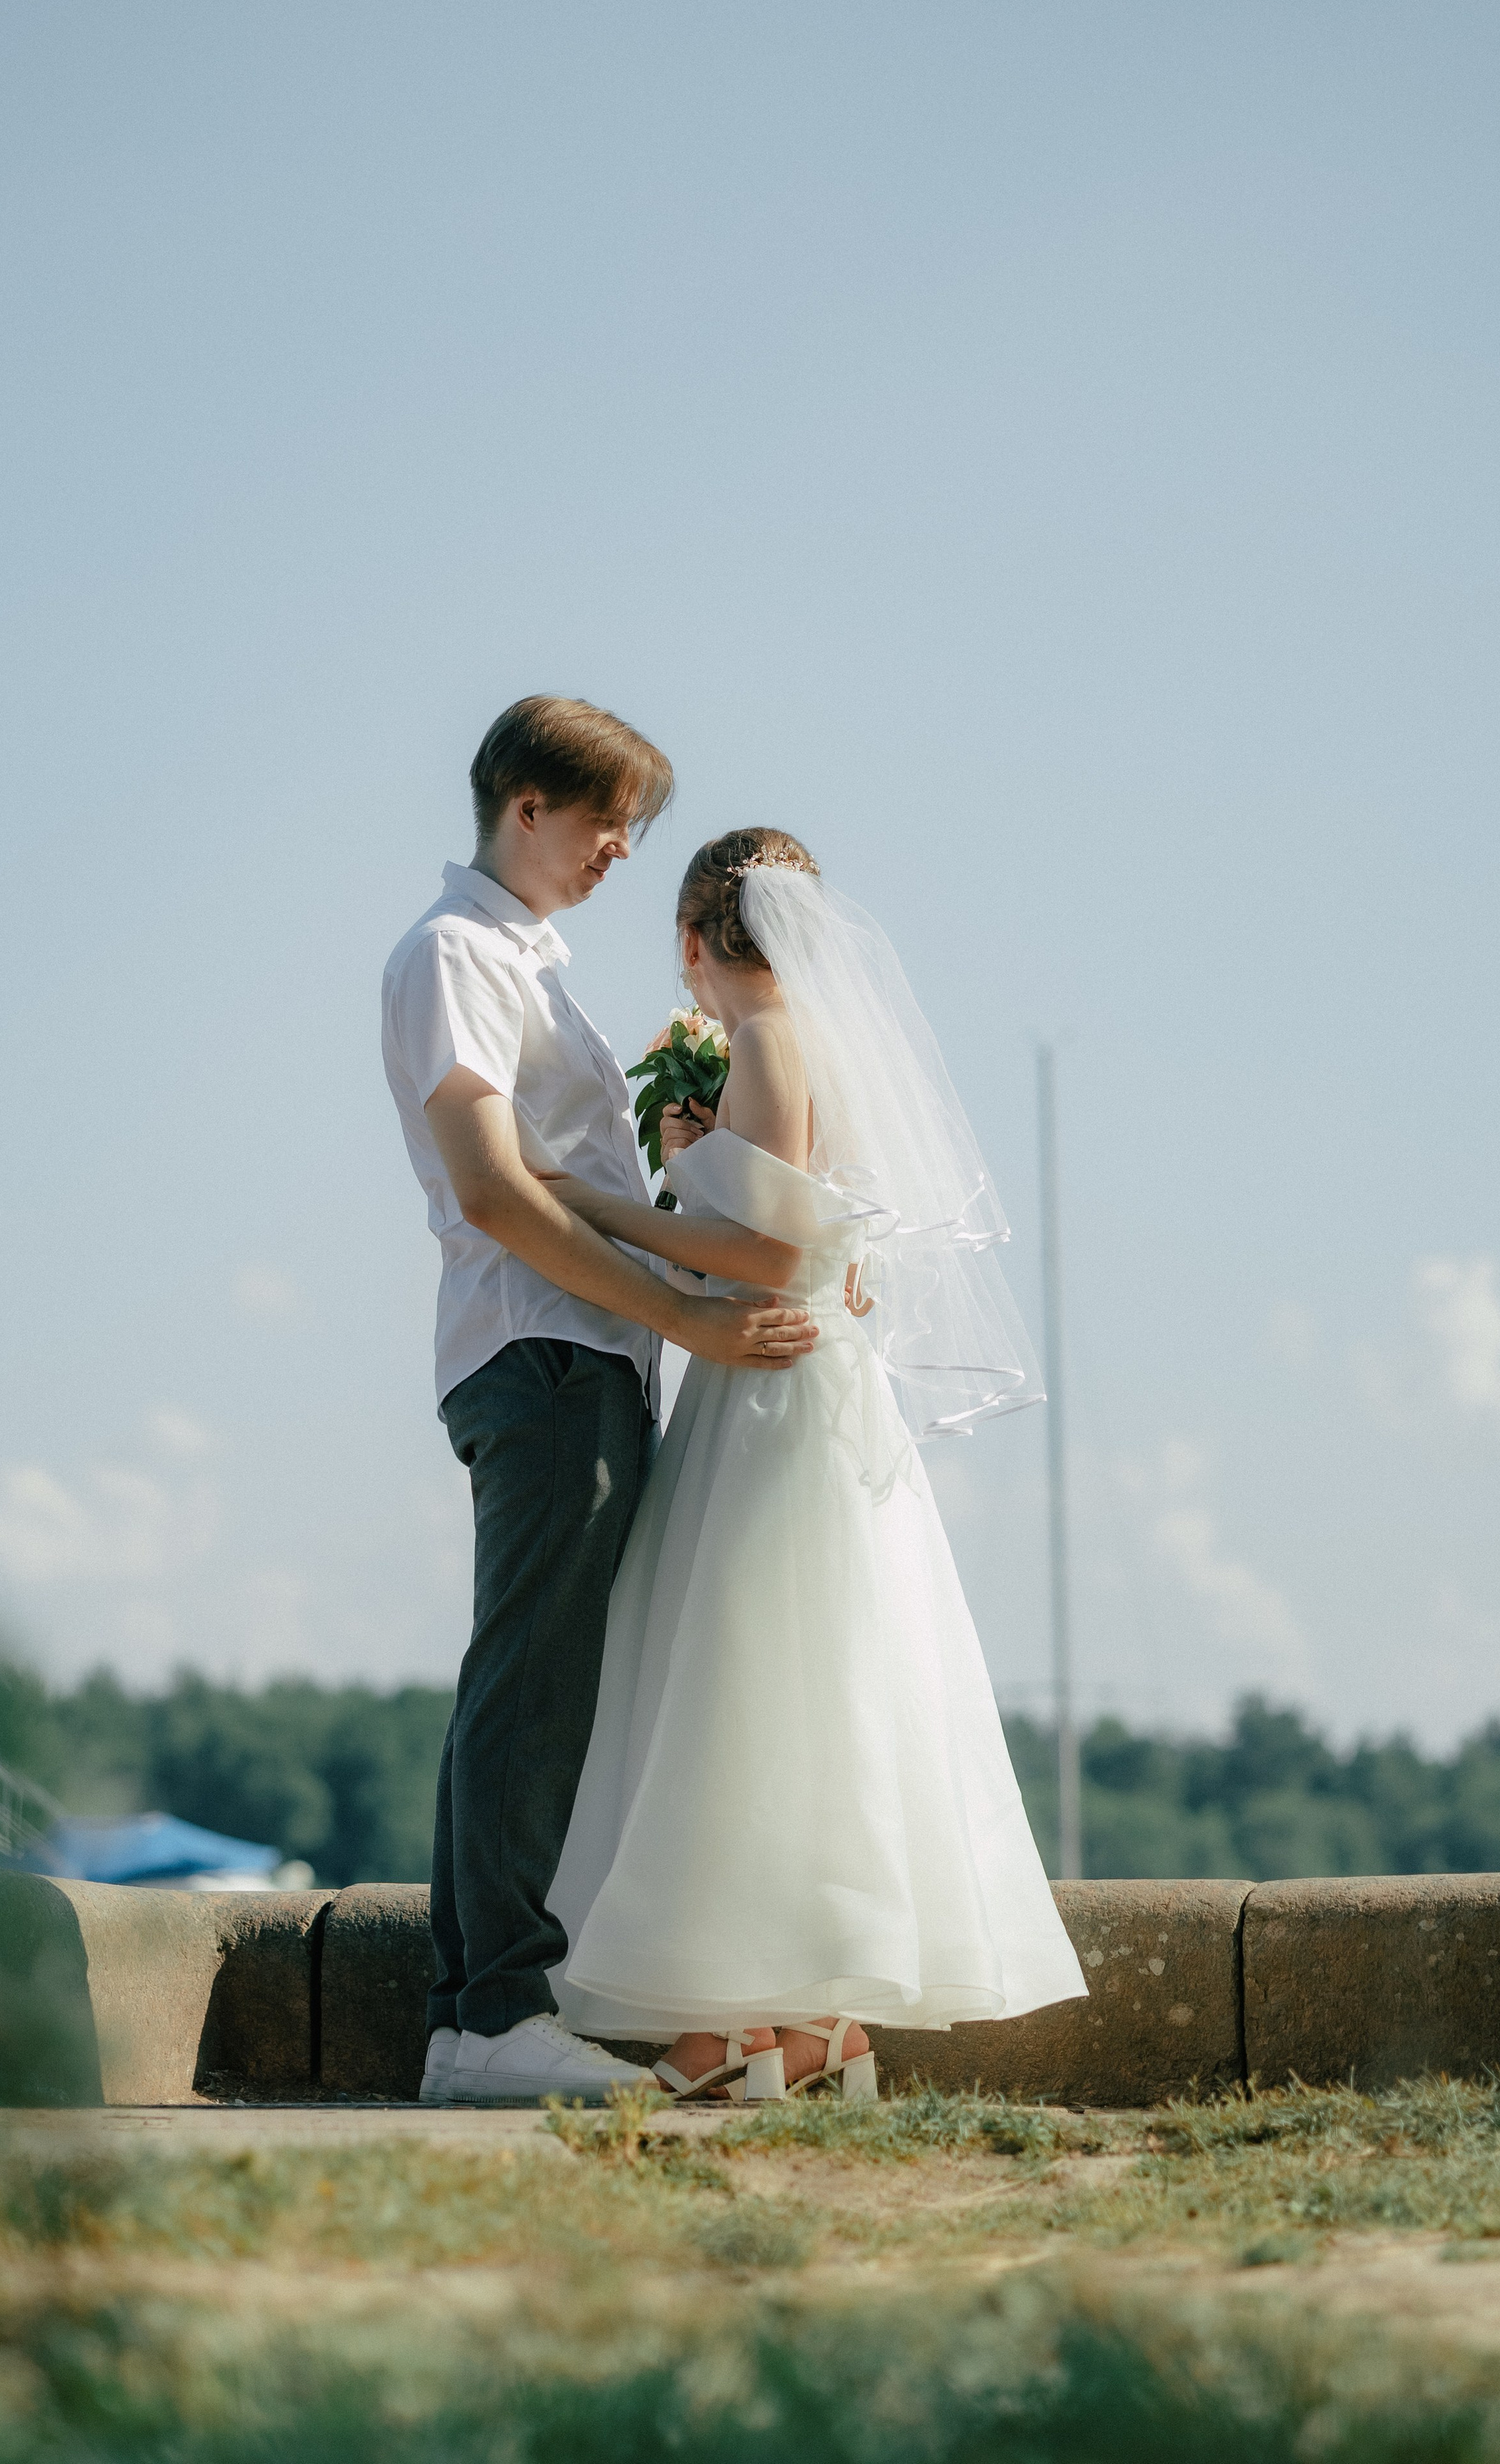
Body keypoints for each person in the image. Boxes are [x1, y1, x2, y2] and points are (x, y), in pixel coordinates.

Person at [541, 828, 1087, 2103]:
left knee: (750, 1690)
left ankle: (760, 2021)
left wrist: (611, 1198)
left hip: (775, 1386)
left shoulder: (770, 1046)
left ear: (693, 941)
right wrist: (697, 1173)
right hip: (803, 1382)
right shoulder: (811, 1047)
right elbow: (800, 1231)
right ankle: (804, 2028)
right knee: (807, 1689)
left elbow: (769, 1257)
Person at [381, 703, 821, 2107]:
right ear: (524, 804)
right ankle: (492, 2016)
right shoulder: (454, 954)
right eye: (604, 819)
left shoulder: (526, 963)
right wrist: (688, 1312)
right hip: (542, 1351)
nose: (624, 849)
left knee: (535, 1680)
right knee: (530, 1682)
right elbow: (494, 1190)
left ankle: (479, 2014)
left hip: (586, 1352)